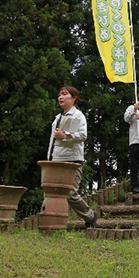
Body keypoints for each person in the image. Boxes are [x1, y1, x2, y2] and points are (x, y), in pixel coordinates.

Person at [48, 86, 97, 228]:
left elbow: (83, 135)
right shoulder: (58, 117)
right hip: (56, 159)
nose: (60, 98)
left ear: (74, 98)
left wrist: (65, 135)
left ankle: (90, 215)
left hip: (72, 160)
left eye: (64, 94)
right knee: (52, 192)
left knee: (70, 193)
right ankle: (53, 223)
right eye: (59, 95)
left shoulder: (78, 116)